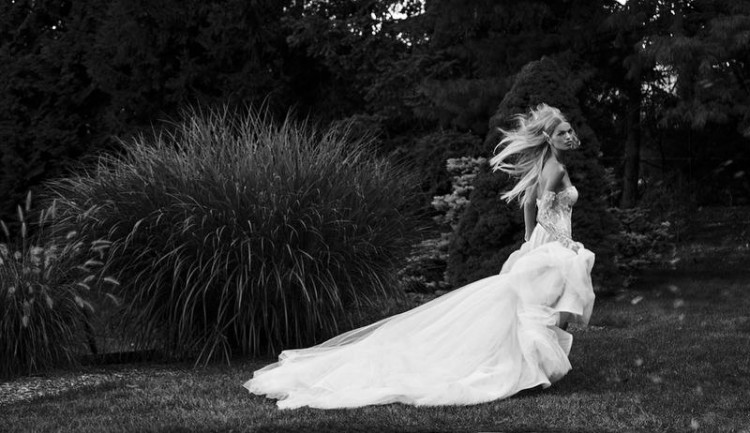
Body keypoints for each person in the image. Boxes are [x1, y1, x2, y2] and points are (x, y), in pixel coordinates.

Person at [243, 103, 595, 410]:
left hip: (544, 243)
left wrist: (529, 238)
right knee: (547, 303)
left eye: (570, 130)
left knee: (542, 304)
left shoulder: (547, 165)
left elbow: (530, 203)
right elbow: (543, 210)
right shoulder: (555, 169)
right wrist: (564, 242)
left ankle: (541, 365)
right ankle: (536, 368)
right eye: (562, 132)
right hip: (553, 243)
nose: (569, 135)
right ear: (548, 138)